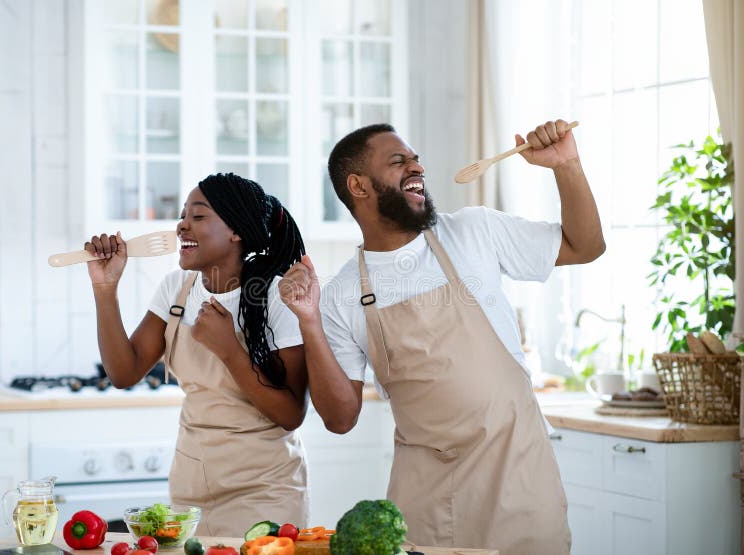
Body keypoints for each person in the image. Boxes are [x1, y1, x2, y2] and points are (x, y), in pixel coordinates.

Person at [279, 120, 605, 554]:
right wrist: (308, 322)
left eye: (416, 159)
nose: (417, 168)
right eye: (399, 162)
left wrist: (567, 166)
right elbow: (340, 419)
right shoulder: (341, 294)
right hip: (427, 499)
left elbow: (586, 246)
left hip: (520, 479)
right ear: (357, 185)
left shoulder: (473, 232)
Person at [84, 173, 309, 537]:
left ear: (236, 230)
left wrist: (230, 350)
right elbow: (123, 374)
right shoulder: (177, 288)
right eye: (183, 215)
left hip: (265, 492)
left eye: (198, 216)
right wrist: (105, 289)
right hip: (190, 490)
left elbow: (291, 413)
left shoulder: (279, 296)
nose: (181, 225)